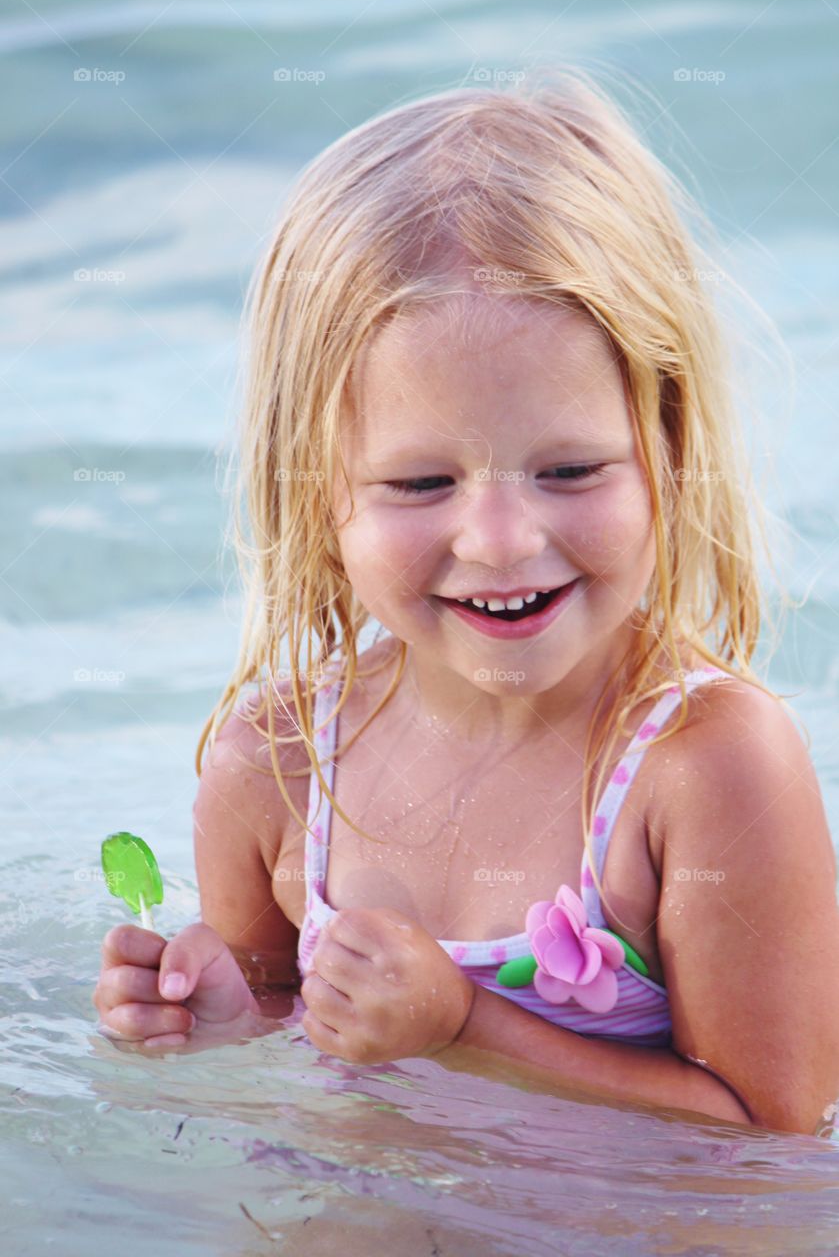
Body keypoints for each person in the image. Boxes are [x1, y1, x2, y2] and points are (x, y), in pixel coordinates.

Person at [93, 68, 839, 1136]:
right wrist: (215, 1020)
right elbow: (286, 1033)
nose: (498, 540)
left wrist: (464, 1028)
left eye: (571, 470)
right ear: (315, 493)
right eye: (420, 483)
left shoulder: (706, 766)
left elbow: (774, 1142)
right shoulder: (277, 764)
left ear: (668, 451)